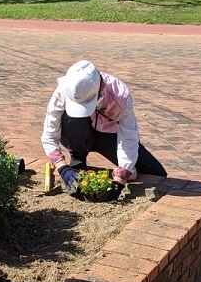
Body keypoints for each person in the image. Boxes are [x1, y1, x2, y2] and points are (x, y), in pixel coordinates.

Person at [41, 60, 166, 193]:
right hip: (77, 134)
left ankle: (128, 170)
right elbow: (49, 133)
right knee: (70, 119)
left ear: (101, 87)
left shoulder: (120, 94)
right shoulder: (64, 90)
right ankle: (78, 159)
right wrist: (62, 168)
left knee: (156, 173)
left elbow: (128, 135)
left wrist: (121, 178)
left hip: (110, 136)